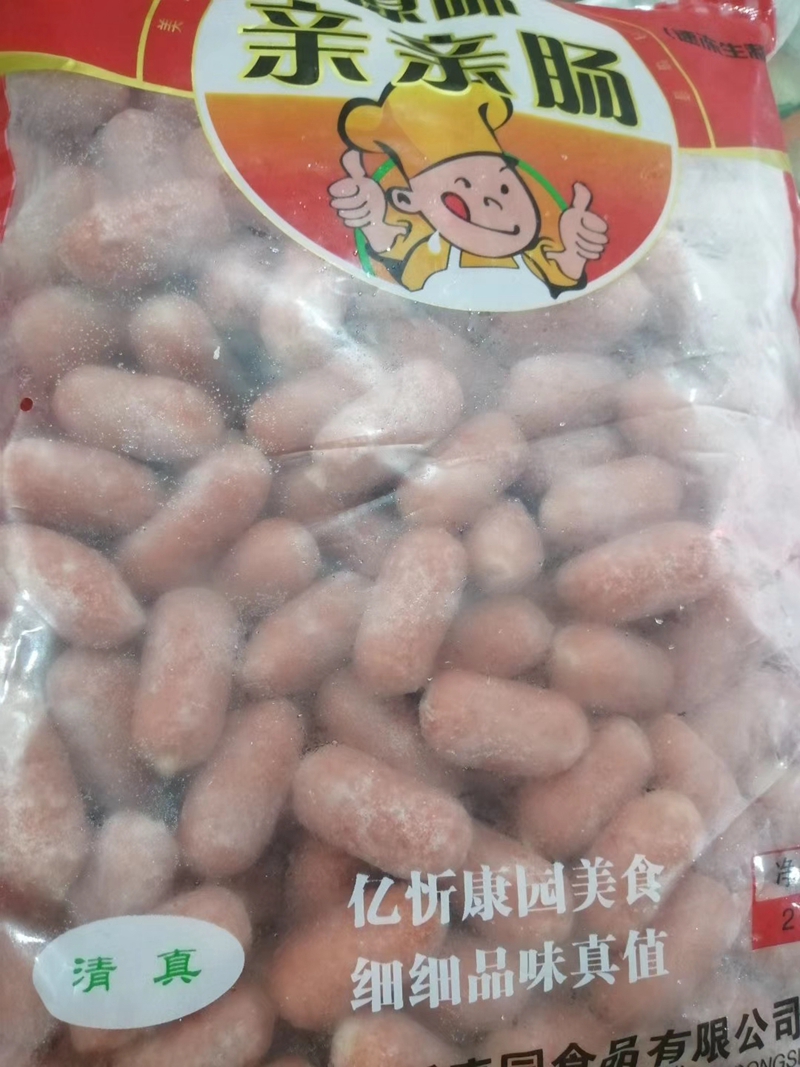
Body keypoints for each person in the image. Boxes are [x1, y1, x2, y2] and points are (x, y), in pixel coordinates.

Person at [328, 80, 609, 303]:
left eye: (504, 188)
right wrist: (372, 222)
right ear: (407, 201)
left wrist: (576, 249)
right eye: (460, 195)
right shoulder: (433, 256)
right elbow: (394, 268)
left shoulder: (533, 256)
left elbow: (564, 275)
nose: (492, 205)